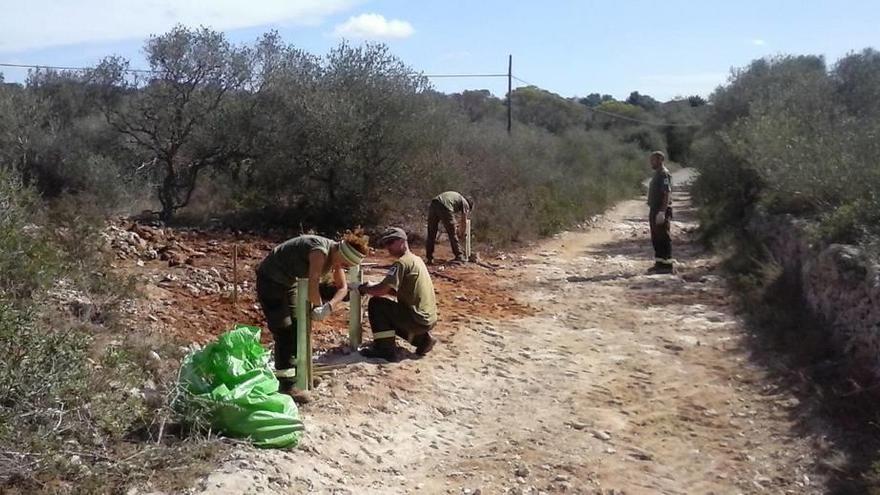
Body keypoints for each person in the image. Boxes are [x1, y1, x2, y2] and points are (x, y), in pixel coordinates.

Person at [255, 232, 368, 402]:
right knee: (285, 330)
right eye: (345, 263)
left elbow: (343, 287)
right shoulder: (320, 252)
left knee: (300, 326)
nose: (343, 266)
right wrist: (316, 306)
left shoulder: (336, 254)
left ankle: (302, 374)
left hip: (290, 283)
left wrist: (328, 307)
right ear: (342, 253)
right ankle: (287, 385)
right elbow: (313, 283)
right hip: (271, 280)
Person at [359, 227, 438, 362]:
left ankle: (385, 350)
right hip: (427, 320)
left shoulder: (401, 263)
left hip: (416, 319)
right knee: (394, 314)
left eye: (390, 242)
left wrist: (363, 288)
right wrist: (373, 286)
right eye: (386, 244)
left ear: (402, 241)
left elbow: (381, 291)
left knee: (376, 304)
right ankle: (423, 340)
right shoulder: (416, 260)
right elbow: (400, 291)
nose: (387, 247)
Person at [426, 191, 473, 264]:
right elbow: (464, 221)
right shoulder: (465, 203)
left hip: (434, 203)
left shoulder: (456, 197)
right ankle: (459, 256)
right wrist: (461, 233)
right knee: (452, 233)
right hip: (444, 206)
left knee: (431, 233)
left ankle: (429, 258)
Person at [647, 151, 674, 274]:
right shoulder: (657, 174)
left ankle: (667, 265)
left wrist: (662, 211)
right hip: (654, 209)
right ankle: (659, 263)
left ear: (660, 160)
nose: (651, 162)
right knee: (656, 238)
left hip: (660, 210)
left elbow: (666, 193)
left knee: (663, 237)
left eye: (653, 160)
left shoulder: (664, 174)